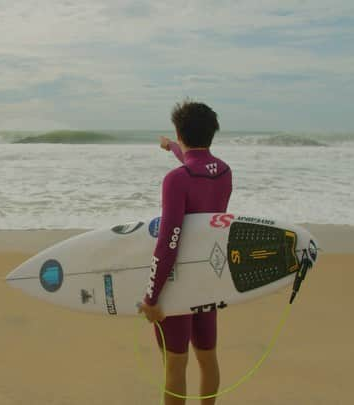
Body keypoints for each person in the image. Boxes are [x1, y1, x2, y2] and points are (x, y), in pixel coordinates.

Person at [138, 100, 232, 405]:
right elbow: (195, 163)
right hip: (207, 279)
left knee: (176, 365)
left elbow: (168, 242)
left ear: (179, 131)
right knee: (207, 358)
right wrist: (172, 148)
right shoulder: (224, 172)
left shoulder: (176, 180)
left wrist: (152, 298)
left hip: (178, 284)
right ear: (212, 133)